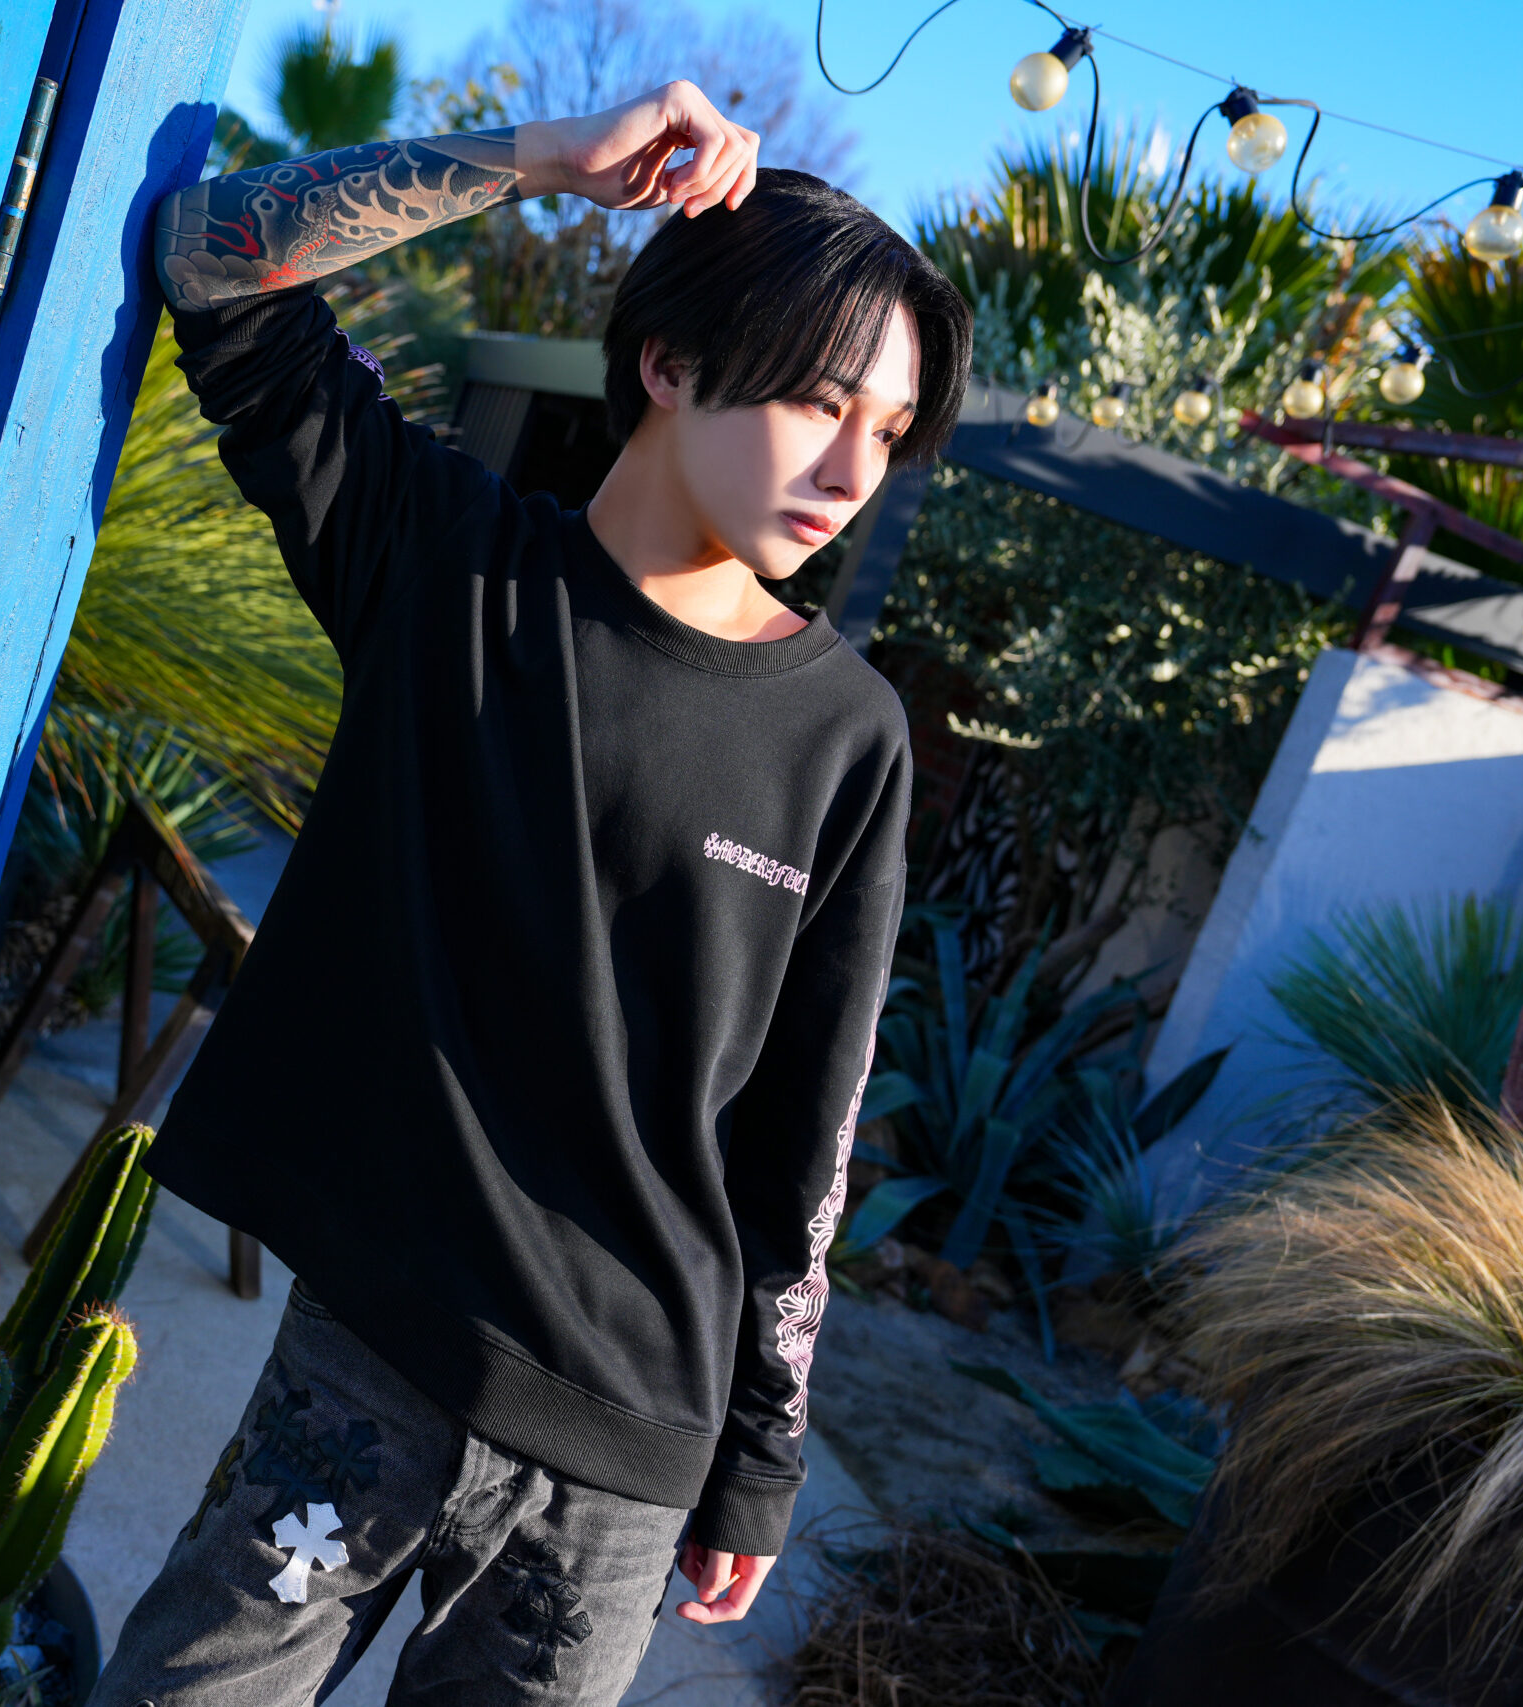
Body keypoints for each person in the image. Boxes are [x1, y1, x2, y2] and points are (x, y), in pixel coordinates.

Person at [90, 79, 971, 1707]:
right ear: (671, 361)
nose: (856, 466)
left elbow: (808, 1125)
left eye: (892, 429)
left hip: (623, 1466)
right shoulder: (448, 568)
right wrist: (548, 161)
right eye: (822, 399)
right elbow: (210, 255)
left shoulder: (847, 736)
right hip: (367, 1365)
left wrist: (760, 1457)